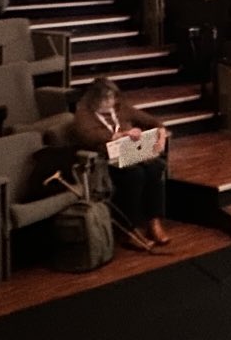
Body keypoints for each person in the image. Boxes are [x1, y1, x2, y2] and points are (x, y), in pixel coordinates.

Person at [68, 76, 172, 251]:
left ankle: (154, 221)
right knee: (135, 175)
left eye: (112, 98)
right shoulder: (84, 114)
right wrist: (121, 134)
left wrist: (160, 136)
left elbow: (153, 122)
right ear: (94, 99)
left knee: (155, 168)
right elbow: (88, 136)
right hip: (104, 159)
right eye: (105, 99)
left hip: (128, 153)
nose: (110, 102)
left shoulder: (120, 108)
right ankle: (131, 229)